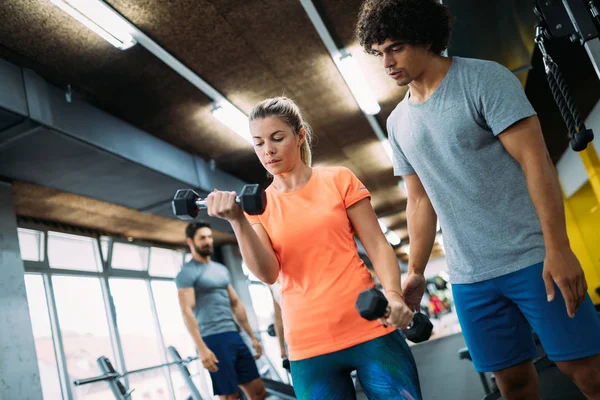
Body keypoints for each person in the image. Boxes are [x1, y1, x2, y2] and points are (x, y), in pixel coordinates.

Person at [356, 1, 600, 399]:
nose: (386, 62)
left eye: (395, 47)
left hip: (532, 260)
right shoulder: (397, 123)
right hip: (469, 279)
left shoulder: (484, 79)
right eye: (379, 51)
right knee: (513, 383)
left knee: (586, 370)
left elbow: (535, 163)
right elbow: (419, 202)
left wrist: (559, 248)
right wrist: (415, 271)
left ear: (426, 38)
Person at [204, 97, 422, 400]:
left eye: (277, 138)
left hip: (371, 325)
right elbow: (268, 274)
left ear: (300, 135)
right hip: (308, 343)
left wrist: (394, 295)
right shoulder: (259, 206)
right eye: (258, 143)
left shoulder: (338, 179)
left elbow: (377, 244)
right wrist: (237, 222)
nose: (267, 149)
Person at [176, 221, 267, 400]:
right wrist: (202, 348)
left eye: (209, 237)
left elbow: (235, 303)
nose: (208, 241)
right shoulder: (187, 273)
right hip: (212, 338)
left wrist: (252, 337)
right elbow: (187, 310)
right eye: (202, 238)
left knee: (258, 392)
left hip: (233, 334)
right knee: (229, 396)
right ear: (190, 242)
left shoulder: (221, 270)